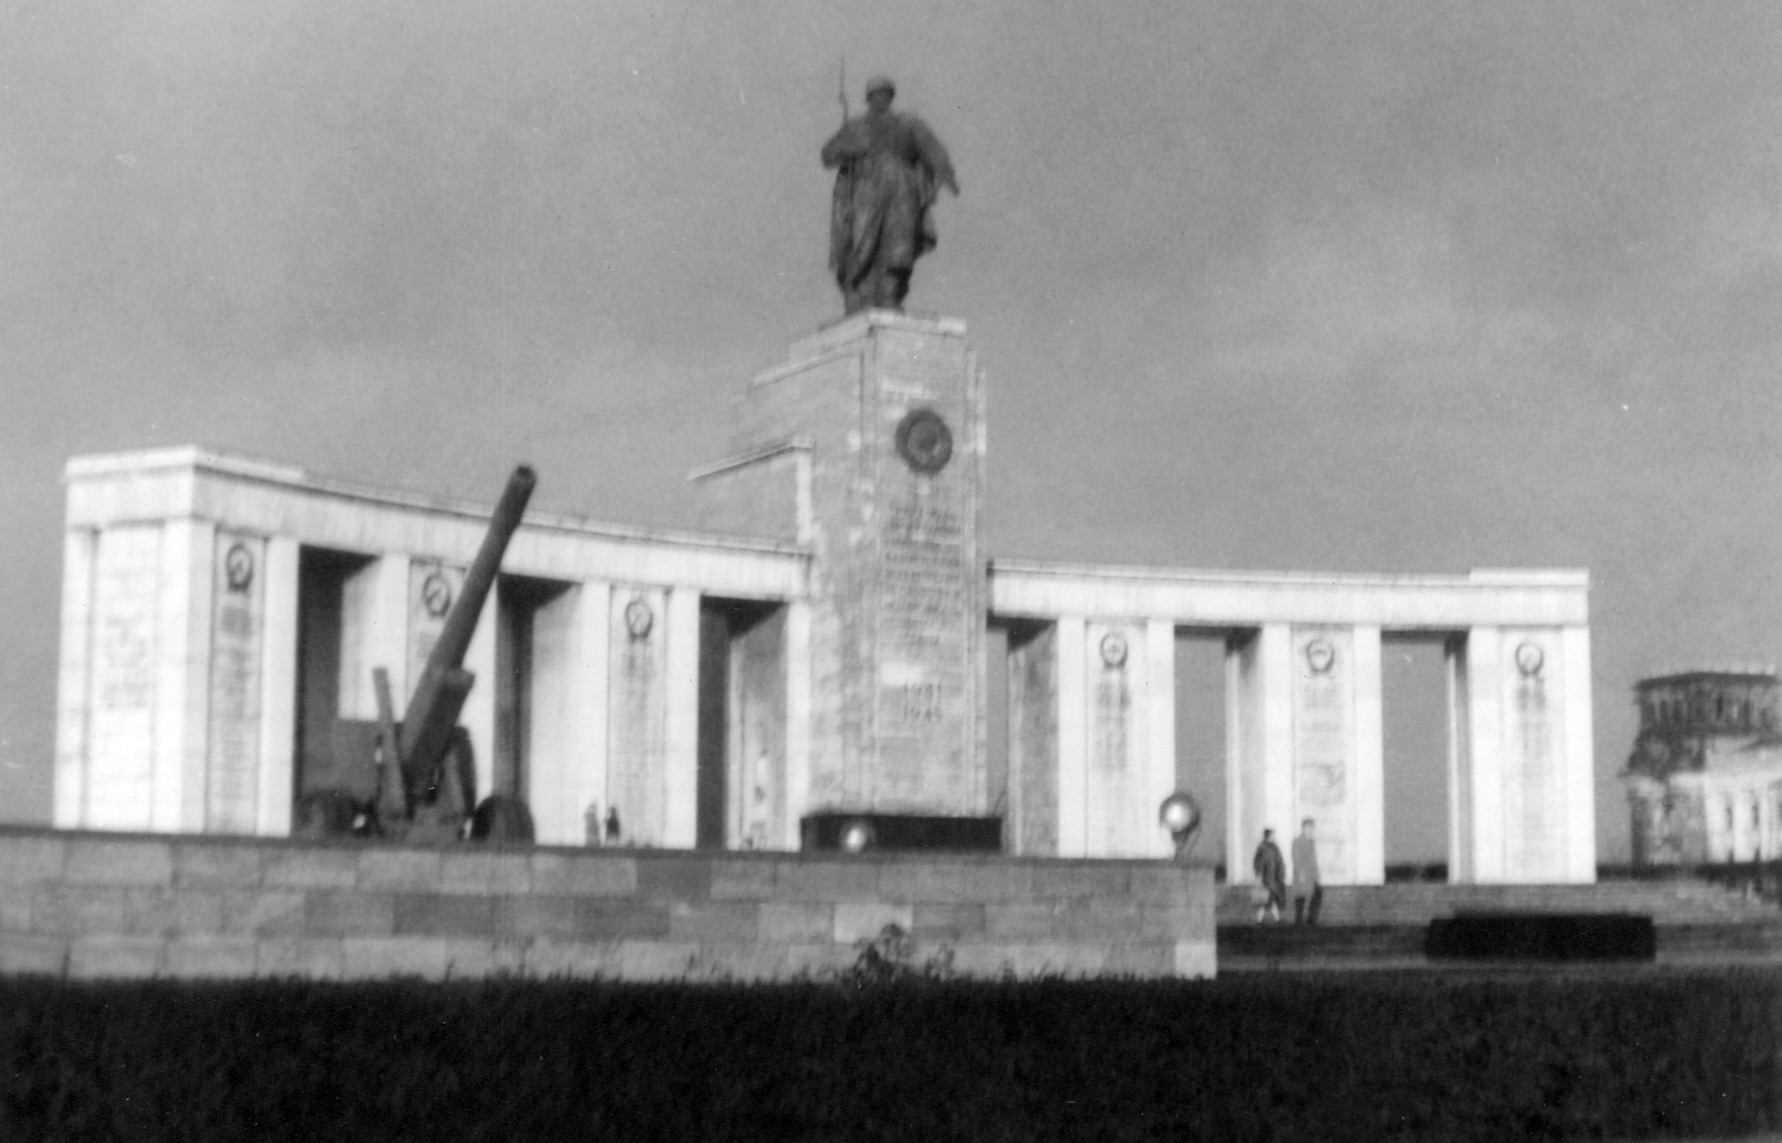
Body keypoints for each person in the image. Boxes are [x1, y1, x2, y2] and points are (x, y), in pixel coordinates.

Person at [821, 75, 959, 314]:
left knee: (899, 243)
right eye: (876, 94)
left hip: (902, 189)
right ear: (868, 98)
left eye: (886, 94)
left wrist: (945, 174)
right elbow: (828, 154)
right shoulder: (856, 127)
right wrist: (849, 147)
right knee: (863, 243)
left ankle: (889, 294)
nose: (882, 98)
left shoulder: (909, 124)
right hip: (865, 189)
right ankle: (859, 294)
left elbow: (932, 150)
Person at [1291, 817, 1323, 925]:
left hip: (1312, 875)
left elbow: (1313, 859)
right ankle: (1299, 921)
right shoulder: (1298, 841)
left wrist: (1317, 874)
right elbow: (1296, 858)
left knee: (1316, 894)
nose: (1311, 830)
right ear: (1303, 828)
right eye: (1308, 827)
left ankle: (1311, 920)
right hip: (1303, 874)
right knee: (1301, 896)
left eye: (1312, 827)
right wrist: (1301, 873)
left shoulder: (1311, 841)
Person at [1252, 828, 1286, 924]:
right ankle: (1261, 919)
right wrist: (1260, 877)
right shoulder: (1263, 848)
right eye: (1273, 834)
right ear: (1269, 835)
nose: (1275, 836)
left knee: (1270, 899)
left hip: (1274, 878)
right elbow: (1258, 864)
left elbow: (1279, 862)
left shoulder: (1274, 847)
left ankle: (1272, 919)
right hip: (1267, 878)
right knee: (1267, 898)